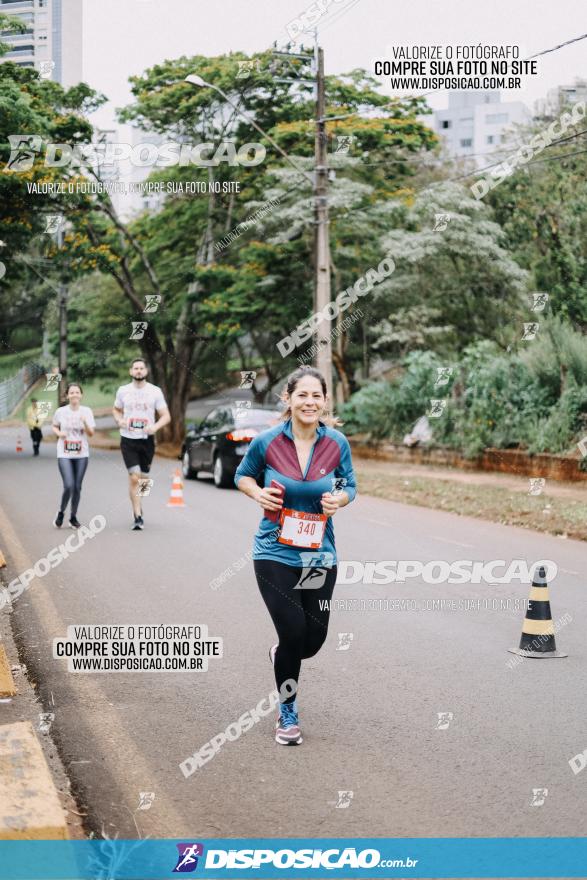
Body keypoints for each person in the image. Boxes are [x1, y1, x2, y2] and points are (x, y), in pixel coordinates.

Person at [234, 366, 356, 746]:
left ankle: (281, 654)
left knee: (313, 640)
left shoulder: (336, 443)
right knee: (292, 632)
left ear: (324, 401)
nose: (310, 402)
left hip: (320, 553)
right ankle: (288, 713)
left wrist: (340, 499)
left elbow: (349, 483)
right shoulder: (268, 442)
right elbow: (243, 475)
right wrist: (257, 494)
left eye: (316, 396)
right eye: (302, 395)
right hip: (274, 552)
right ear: (288, 399)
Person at [112, 358, 170, 531]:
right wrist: (119, 420)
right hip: (128, 438)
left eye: (141, 368)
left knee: (144, 479)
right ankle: (137, 515)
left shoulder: (155, 391)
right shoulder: (123, 391)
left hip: (147, 440)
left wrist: (155, 427)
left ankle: (139, 501)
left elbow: (166, 416)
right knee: (134, 477)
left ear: (146, 371)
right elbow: (116, 409)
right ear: (131, 371)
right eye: (135, 368)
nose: (138, 371)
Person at [52, 383, 95, 529]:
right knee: (69, 485)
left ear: (81, 395)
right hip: (64, 453)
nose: (74, 395)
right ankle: (61, 512)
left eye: (77, 392)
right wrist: (59, 433)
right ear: (67, 396)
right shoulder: (61, 412)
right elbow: (54, 426)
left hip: (81, 453)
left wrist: (85, 423)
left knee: (77, 487)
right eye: (71, 392)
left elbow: (91, 434)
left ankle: (73, 516)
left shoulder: (87, 411)